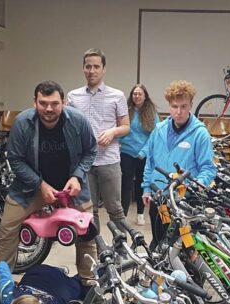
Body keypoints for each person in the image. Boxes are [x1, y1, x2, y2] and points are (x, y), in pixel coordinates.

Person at [0, 80, 98, 304]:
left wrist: (77, 175)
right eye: (43, 103)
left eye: (54, 103)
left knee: (87, 233)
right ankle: (0, 283)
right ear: (34, 102)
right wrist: (40, 185)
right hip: (30, 188)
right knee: (7, 229)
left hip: (71, 187)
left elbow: (90, 151)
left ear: (64, 102)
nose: (49, 109)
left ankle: (89, 284)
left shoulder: (78, 121)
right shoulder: (22, 122)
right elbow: (15, 159)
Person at [142, 80, 218, 244]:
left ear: (191, 105)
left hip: (183, 203)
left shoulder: (200, 134)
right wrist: (146, 188)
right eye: (175, 106)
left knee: (182, 245)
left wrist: (198, 184)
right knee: (160, 239)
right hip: (161, 199)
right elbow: (151, 162)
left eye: (183, 106)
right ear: (169, 106)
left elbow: (208, 168)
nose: (179, 111)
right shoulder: (159, 130)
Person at [67, 48, 129, 227]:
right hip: (84, 164)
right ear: (83, 69)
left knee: (115, 209)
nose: (91, 71)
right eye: (88, 66)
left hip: (109, 160)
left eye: (96, 66)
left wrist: (112, 132)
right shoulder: (73, 96)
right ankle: (95, 249)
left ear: (104, 69)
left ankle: (121, 251)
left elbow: (126, 127)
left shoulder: (117, 96)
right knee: (88, 211)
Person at [119, 84, 156, 224]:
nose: (137, 96)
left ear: (145, 96)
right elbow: (120, 128)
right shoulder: (126, 110)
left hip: (143, 155)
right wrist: (119, 143)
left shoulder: (151, 113)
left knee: (141, 184)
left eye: (140, 94)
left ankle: (140, 214)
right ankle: (123, 215)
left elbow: (154, 135)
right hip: (126, 152)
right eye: (134, 94)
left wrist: (144, 152)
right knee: (126, 184)